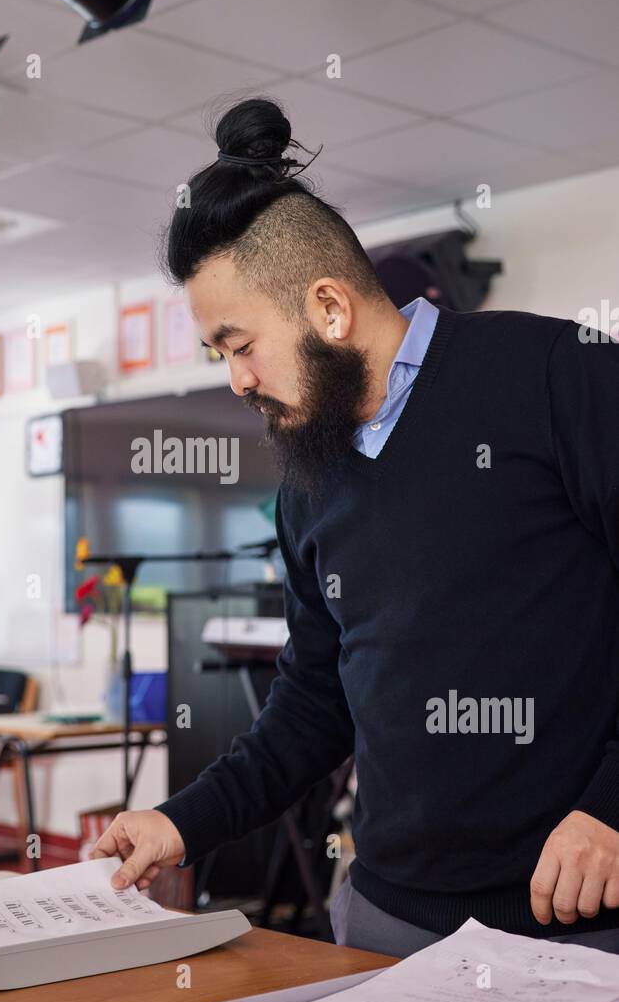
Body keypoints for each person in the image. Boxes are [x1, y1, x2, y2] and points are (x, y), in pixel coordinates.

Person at [90, 96, 619, 956]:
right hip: (384, 916)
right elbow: (312, 701)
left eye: (240, 345)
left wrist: (610, 809)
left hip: (574, 922)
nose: (236, 381)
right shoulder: (308, 480)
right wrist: (181, 821)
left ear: (329, 309)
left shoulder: (558, 375)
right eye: (219, 356)